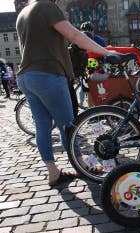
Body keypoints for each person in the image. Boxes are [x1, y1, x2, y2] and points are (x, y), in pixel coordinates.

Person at [16, 0, 116, 186]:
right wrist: (106, 52)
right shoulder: (47, 6)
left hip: (26, 76)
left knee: (42, 126)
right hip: (48, 73)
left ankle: (53, 172)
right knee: (69, 125)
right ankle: (81, 165)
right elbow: (73, 34)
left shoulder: (23, 13)